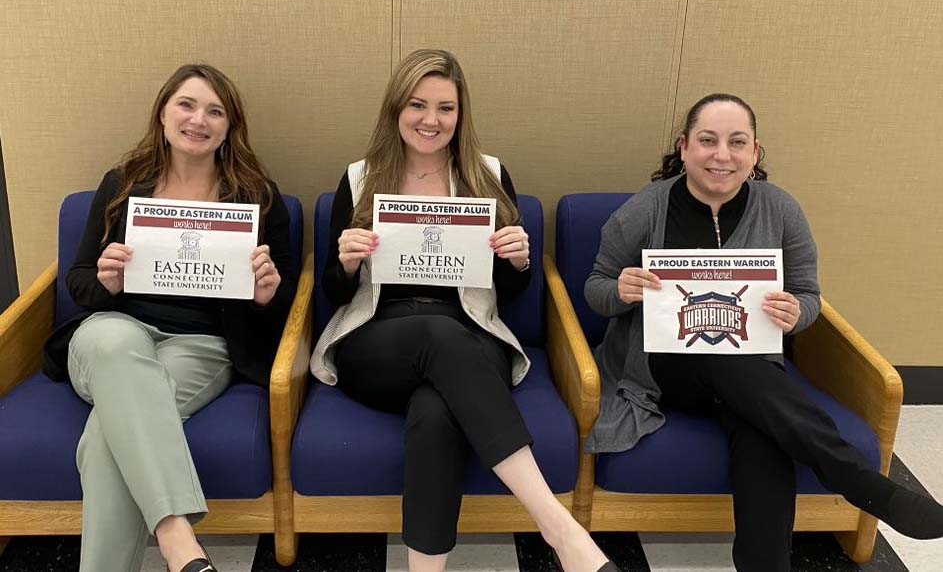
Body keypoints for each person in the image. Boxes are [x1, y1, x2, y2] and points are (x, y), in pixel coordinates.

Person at [584, 93, 943, 571]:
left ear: (755, 153)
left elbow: (810, 297)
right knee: (730, 366)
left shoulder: (781, 210)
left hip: (751, 374)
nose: (722, 155)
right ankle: (862, 483)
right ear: (684, 147)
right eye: (708, 141)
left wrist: (797, 312)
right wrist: (622, 290)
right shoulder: (645, 209)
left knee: (763, 430)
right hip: (661, 367)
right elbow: (595, 286)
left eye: (737, 142)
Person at [310, 49, 618, 572]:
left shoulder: (489, 175)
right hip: (376, 340)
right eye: (417, 105)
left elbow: (509, 291)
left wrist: (517, 263)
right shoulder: (359, 178)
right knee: (434, 335)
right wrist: (343, 263)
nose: (431, 120)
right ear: (395, 110)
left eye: (445, 108)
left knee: (435, 413)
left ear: (461, 114)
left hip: (471, 334)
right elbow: (335, 293)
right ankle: (559, 527)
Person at [42, 64, 296, 572]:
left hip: (200, 346)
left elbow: (281, 312)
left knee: (104, 438)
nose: (198, 119)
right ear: (162, 112)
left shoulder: (257, 198)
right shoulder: (124, 185)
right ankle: (177, 539)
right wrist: (107, 281)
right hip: (112, 331)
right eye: (187, 104)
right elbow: (79, 279)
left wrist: (267, 296)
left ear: (230, 128)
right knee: (113, 341)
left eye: (215, 111)